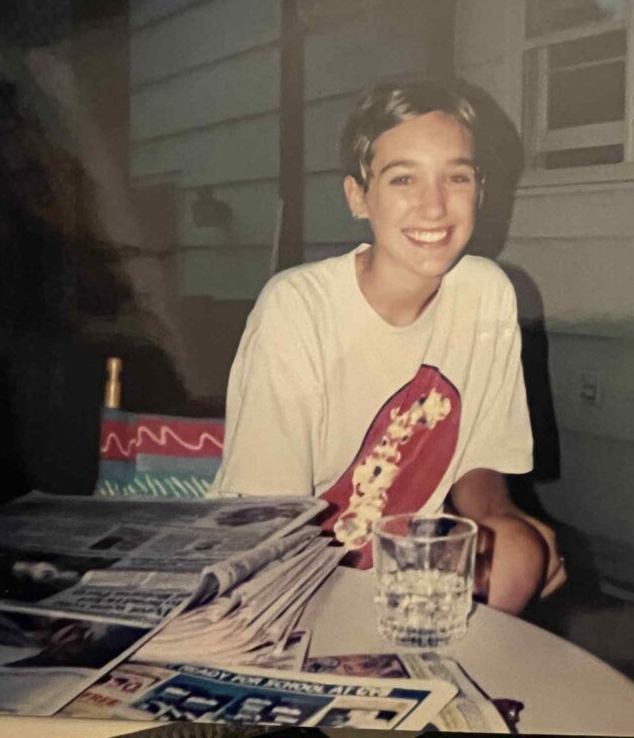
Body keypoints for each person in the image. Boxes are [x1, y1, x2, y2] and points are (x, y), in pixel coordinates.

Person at [210, 79, 565, 613]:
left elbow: (480, 464)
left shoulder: (486, 293)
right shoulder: (298, 308)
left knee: (521, 551)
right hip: (275, 586)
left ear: (480, 190)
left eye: (456, 176)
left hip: (407, 584)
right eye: (403, 179)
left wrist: (505, 525)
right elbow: (269, 532)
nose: (434, 205)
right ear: (358, 196)